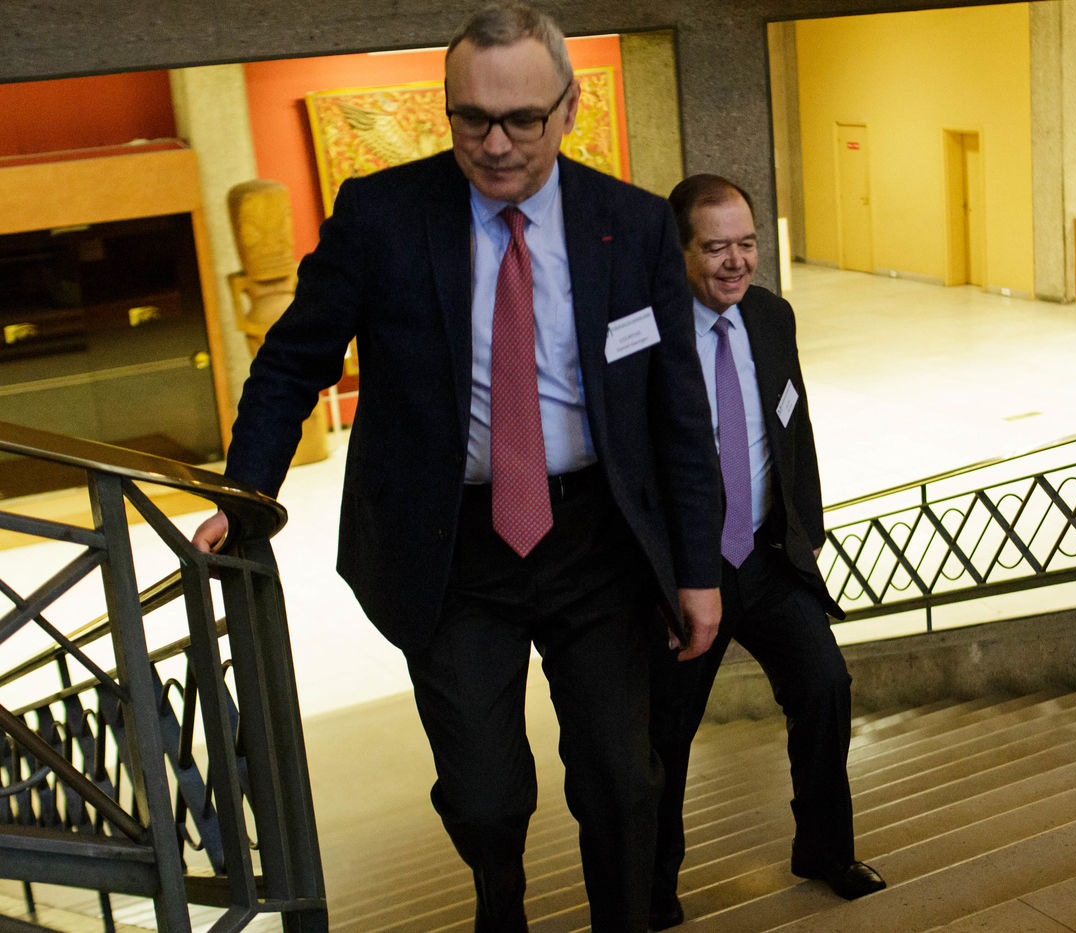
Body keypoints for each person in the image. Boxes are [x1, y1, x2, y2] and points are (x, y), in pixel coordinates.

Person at [192, 6, 723, 931]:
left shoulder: (631, 225)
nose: (496, 144)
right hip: (451, 548)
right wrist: (246, 497)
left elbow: (678, 411)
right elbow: (290, 363)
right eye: (472, 118)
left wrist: (698, 569)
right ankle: (498, 901)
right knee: (483, 796)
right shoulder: (381, 217)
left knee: (622, 778)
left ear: (569, 110)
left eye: (522, 119)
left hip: (596, 540)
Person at [648, 174, 885, 929]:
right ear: (681, 250)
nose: (736, 262)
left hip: (766, 557)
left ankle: (824, 849)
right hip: (688, 574)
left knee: (825, 687)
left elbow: (793, 427)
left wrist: (805, 531)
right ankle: (653, 886)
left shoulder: (771, 316)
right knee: (665, 733)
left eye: (747, 243)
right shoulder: (647, 332)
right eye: (716, 247)